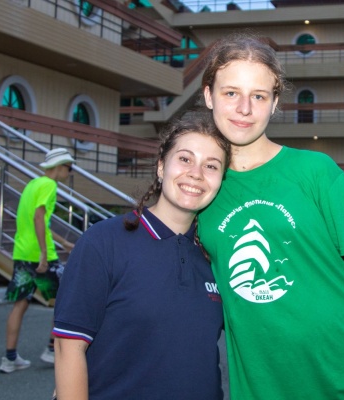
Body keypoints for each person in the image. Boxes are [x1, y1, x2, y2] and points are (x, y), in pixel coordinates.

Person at [198, 33, 344, 399]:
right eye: (231, 93)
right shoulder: (203, 191)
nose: (244, 108)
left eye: (259, 96)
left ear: (274, 103)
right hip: (262, 386)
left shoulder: (316, 172)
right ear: (209, 95)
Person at [53, 112, 231, 399]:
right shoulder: (103, 243)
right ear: (161, 166)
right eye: (185, 159)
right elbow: (68, 348)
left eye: (211, 166)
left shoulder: (217, 255)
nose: (196, 173)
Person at [0, 148, 76, 374]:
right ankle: (52, 349)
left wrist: (63, 242)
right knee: (65, 298)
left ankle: (9, 358)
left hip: (22, 253)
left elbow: (40, 222)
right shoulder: (50, 185)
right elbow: (39, 217)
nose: (70, 172)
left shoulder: (32, 185)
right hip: (41, 256)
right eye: (69, 167)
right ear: (60, 166)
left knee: (20, 303)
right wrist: (44, 253)